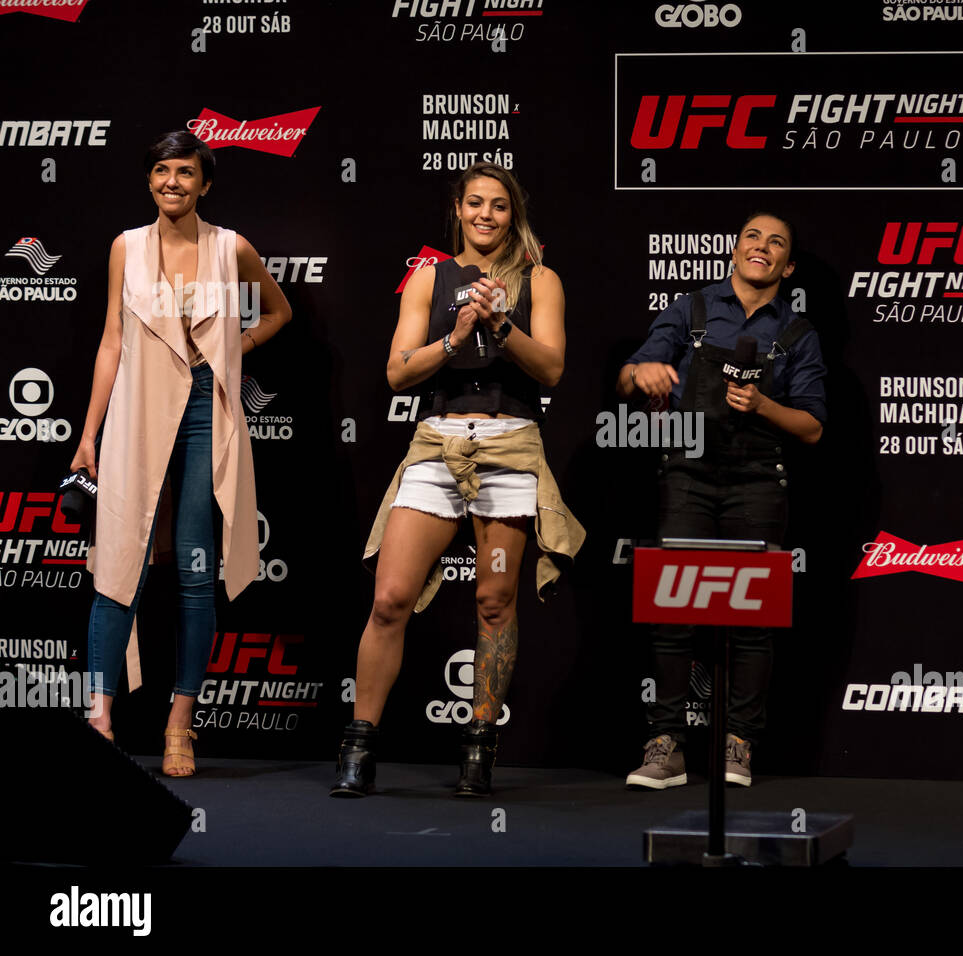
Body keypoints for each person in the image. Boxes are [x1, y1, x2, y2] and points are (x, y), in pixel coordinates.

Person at [331, 162, 583, 799]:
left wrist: (501, 325)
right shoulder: (428, 277)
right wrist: (457, 336)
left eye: (498, 206)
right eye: (475, 204)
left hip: (509, 445)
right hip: (438, 444)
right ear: (459, 210)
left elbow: (551, 369)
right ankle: (360, 741)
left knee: (495, 603)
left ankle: (479, 745)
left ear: (513, 214)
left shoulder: (540, 280)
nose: (486, 216)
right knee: (389, 598)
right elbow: (397, 372)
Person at [76, 130, 292, 775]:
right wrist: (88, 434)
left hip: (206, 410)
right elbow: (112, 341)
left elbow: (278, 313)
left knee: (196, 573)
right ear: (150, 179)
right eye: (163, 172)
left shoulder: (232, 248)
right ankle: (100, 719)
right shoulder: (127, 247)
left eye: (186, 173)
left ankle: (179, 723)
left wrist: (231, 354)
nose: (173, 182)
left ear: (205, 183)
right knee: (119, 564)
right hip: (138, 412)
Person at [616, 212, 826, 788]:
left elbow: (811, 426)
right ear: (735, 251)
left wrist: (762, 406)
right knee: (671, 611)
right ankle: (665, 745)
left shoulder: (798, 332)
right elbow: (627, 376)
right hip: (686, 473)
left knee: (752, 619)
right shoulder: (692, 310)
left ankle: (739, 745)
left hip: (759, 480)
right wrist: (646, 374)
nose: (762, 247)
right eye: (752, 237)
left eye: (776, 241)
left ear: (788, 265)